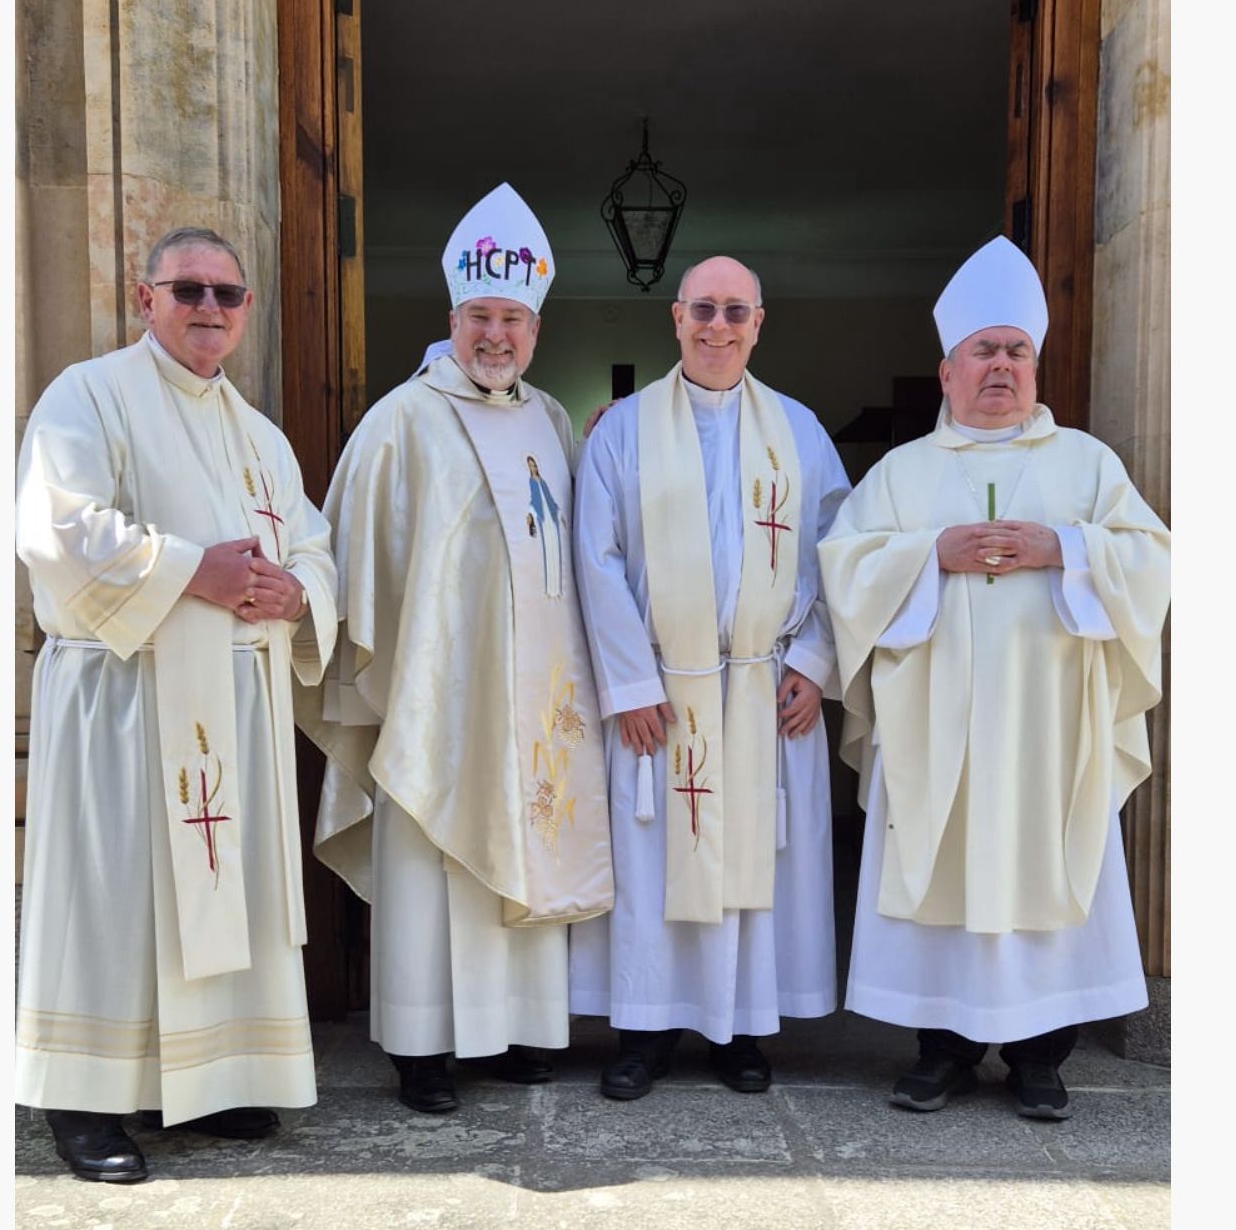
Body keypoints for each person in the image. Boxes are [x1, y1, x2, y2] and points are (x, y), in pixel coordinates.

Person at [818, 236, 1170, 1120]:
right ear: (948, 370)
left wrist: (1069, 547)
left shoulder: (1087, 464)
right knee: (940, 862)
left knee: (1039, 860)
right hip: (934, 721)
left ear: (1036, 365)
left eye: (1017, 350)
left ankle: (1040, 1057)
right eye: (986, 350)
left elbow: (1154, 559)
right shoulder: (902, 473)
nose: (1003, 366)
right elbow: (844, 568)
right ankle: (939, 1050)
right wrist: (929, 553)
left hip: (1049, 725)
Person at [15, 227, 338, 1181]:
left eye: (228, 294)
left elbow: (311, 542)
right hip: (125, 693)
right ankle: (82, 1097)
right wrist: (191, 569)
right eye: (188, 288)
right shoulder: (89, 393)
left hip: (232, 702)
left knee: (214, 889)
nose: (209, 307)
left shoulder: (260, 434)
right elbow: (57, 525)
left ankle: (206, 1077)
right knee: (113, 893)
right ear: (143, 296)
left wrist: (300, 592)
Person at [297, 183, 613, 1114]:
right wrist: (383, 661)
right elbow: (354, 549)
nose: (496, 335)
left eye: (513, 319)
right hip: (436, 691)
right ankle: (425, 1044)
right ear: (453, 317)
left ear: (535, 329)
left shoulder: (551, 420)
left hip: (535, 692)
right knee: (434, 857)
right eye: (482, 315)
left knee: (522, 838)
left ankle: (513, 1027)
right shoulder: (402, 419)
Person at [569, 256, 850, 1099]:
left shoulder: (799, 431)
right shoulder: (622, 431)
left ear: (759, 322)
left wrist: (812, 661)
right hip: (661, 689)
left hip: (763, 693)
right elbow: (597, 555)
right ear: (675, 317)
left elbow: (842, 551)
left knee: (746, 860)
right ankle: (645, 1031)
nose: (717, 326)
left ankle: (739, 1030)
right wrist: (629, 683)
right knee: (655, 867)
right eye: (703, 309)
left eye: (735, 311)